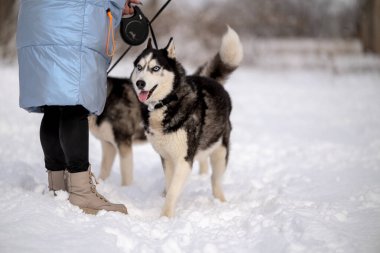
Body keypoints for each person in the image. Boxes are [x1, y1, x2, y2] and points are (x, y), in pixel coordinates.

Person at [16, 0, 141, 215]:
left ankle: (58, 185)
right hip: (73, 22)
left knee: (54, 106)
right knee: (75, 105)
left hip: (38, 19)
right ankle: (81, 192)